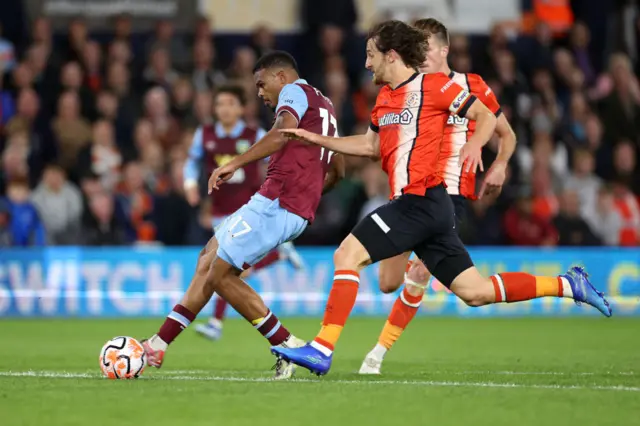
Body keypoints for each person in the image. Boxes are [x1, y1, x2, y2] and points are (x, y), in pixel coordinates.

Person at [272, 20, 611, 377]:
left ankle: (323, 348)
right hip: (431, 208)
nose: (367, 64)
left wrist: (476, 144)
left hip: (419, 199)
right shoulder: (385, 98)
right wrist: (316, 140)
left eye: (371, 55)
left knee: (347, 254)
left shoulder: (434, 86)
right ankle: (568, 284)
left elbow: (483, 116)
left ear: (391, 55)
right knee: (475, 291)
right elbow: (370, 146)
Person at [141, 51, 345, 380]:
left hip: (277, 201)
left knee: (220, 275)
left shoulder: (295, 92)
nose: (260, 93)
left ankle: (289, 345)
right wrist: (308, 192)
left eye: (262, 84)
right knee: (208, 260)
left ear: (282, 77)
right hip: (290, 205)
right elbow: (337, 169)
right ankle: (159, 344)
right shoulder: (327, 108)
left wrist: (234, 163)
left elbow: (282, 133)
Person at [359, 17, 518, 375]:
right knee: (388, 283)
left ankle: (377, 354)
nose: (419, 55)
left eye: (425, 48)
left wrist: (500, 165)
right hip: (410, 191)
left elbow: (506, 134)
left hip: (449, 195)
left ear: (444, 51)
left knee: (419, 271)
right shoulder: (410, 88)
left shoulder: (470, 85)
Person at [182, 84, 305, 342]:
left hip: (247, 209)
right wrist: (190, 185)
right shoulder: (204, 134)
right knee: (226, 269)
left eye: (230, 103)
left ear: (240, 108)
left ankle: (216, 322)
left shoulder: (255, 134)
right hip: (218, 209)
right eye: (220, 104)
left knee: (226, 268)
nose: (224, 109)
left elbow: (276, 157)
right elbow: (192, 162)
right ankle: (278, 257)